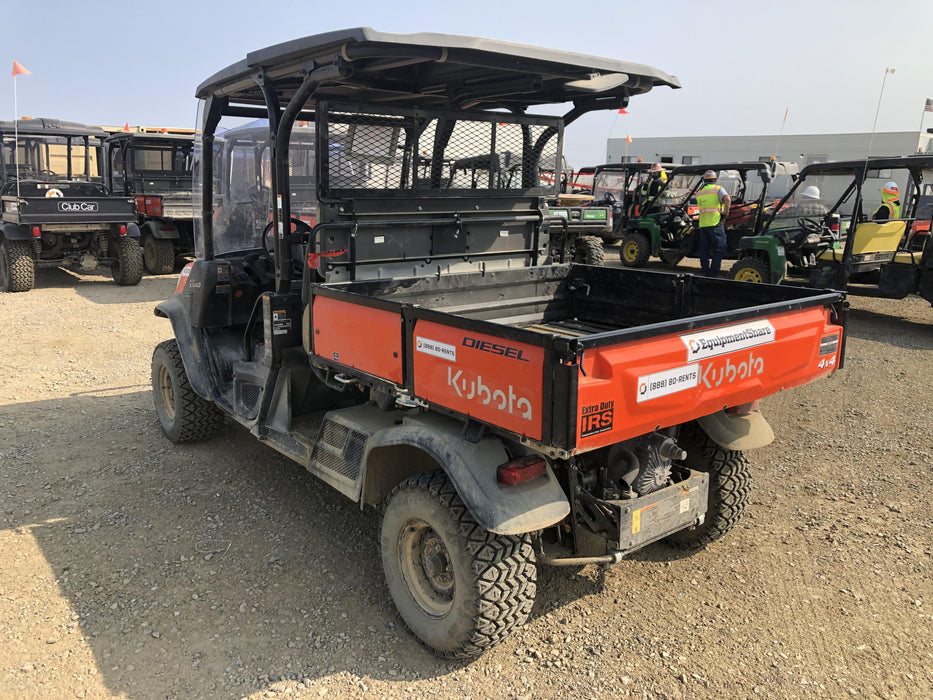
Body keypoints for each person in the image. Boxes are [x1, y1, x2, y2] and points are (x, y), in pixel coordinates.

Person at [695, 170, 731, 277]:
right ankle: (714, 273)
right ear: (715, 180)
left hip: (703, 224)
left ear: (704, 180)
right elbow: (727, 199)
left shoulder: (700, 192)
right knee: (719, 249)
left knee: (704, 250)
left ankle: (705, 272)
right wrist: (726, 212)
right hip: (716, 223)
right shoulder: (718, 189)